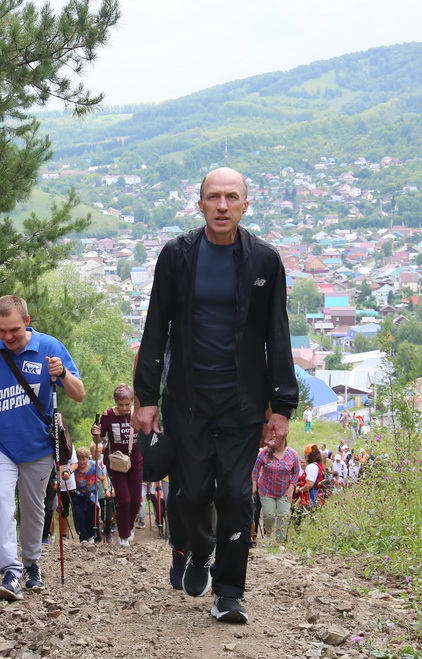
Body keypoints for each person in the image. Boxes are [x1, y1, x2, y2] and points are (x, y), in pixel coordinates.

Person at [133, 167, 297, 624]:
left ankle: (229, 592)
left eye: (231, 198)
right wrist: (147, 396)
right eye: (213, 197)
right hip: (186, 399)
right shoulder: (177, 256)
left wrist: (281, 407)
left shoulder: (265, 261)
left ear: (246, 205)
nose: (222, 205)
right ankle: (196, 549)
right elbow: (155, 327)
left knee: (235, 495)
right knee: (191, 492)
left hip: (242, 401)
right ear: (200, 203)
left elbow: (277, 336)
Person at [0, 295, 85, 602]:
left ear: (27, 322)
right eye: (1, 330)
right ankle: (11, 572)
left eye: (13, 329)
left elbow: (79, 394)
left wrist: (62, 374)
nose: (7, 336)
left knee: (34, 509)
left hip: (38, 445)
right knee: (0, 500)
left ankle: (31, 564)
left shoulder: (50, 348)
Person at [92, 384, 143, 546]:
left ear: (132, 401)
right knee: (125, 499)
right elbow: (99, 439)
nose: (124, 408)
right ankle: (123, 535)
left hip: (136, 461)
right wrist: (95, 434)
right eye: (121, 405)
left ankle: (129, 527)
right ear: (115, 402)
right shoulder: (108, 415)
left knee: (136, 500)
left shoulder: (138, 412)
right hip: (115, 462)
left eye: (127, 404)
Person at [251, 436, 300, 544]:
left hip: (284, 490)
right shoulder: (265, 452)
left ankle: (280, 542)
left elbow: (296, 472)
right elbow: (255, 468)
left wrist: (291, 488)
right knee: (269, 515)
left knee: (283, 515)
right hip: (266, 489)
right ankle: (268, 534)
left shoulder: (292, 454)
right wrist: (254, 483)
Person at [70, 447, 99, 543]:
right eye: (79, 459)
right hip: (77, 495)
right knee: (79, 516)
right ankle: (83, 538)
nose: (82, 462)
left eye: (84, 459)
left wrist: (106, 489)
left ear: (88, 458)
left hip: (91, 495)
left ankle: (90, 536)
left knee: (91, 516)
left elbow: (103, 477)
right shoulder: (74, 468)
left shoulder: (94, 466)